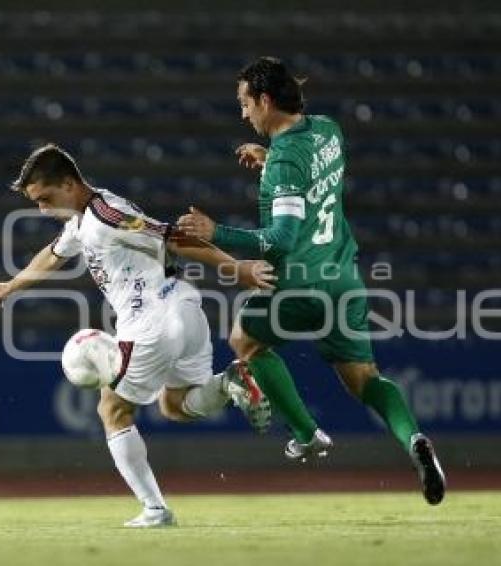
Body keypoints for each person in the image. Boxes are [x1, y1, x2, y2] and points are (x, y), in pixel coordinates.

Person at [177, 56, 446, 505]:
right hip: (344, 279)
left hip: (300, 284)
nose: (243, 114)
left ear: (265, 100)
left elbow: (280, 240)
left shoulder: (285, 162)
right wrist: (270, 162)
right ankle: (414, 439)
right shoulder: (328, 130)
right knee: (365, 379)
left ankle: (306, 434)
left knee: (244, 340)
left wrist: (215, 232)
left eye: (245, 104)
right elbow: (315, 180)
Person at [0, 144, 273, 527]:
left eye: (46, 199)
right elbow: (54, 254)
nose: (43, 210)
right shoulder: (83, 218)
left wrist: (238, 269)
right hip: (184, 309)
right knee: (175, 405)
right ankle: (230, 382)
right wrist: (10, 287)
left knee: (112, 409)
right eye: (36, 203)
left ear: (69, 184)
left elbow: (173, 238)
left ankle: (155, 509)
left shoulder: (107, 215)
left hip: (150, 322)